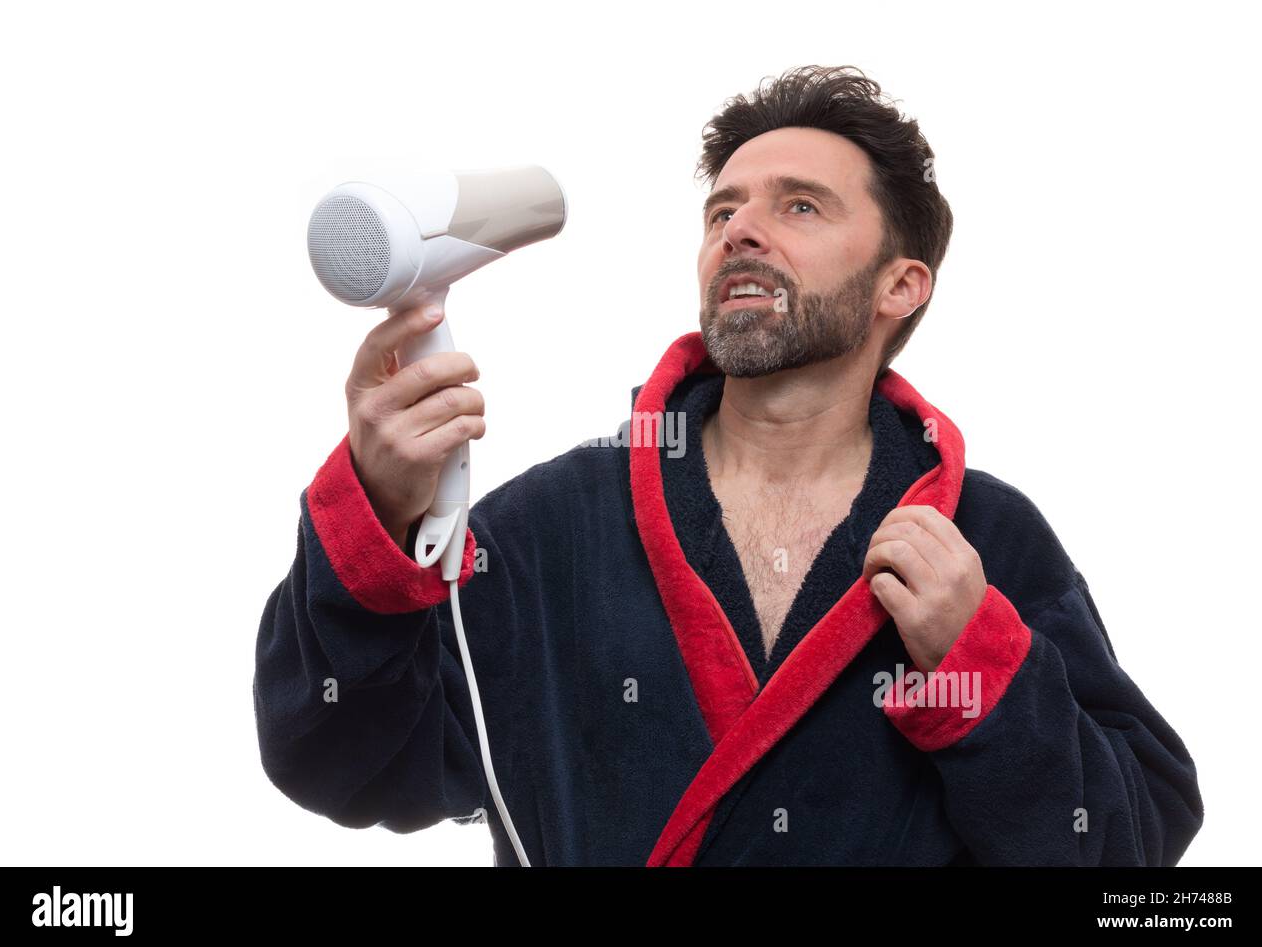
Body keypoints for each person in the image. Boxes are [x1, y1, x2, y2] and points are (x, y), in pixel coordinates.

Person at [253, 65, 1204, 866]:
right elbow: (344, 764)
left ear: (899, 285)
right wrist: (379, 519)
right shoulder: (548, 529)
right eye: (724, 210)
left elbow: (1125, 845)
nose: (740, 230)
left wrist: (985, 667)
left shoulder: (983, 540)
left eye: (799, 205)